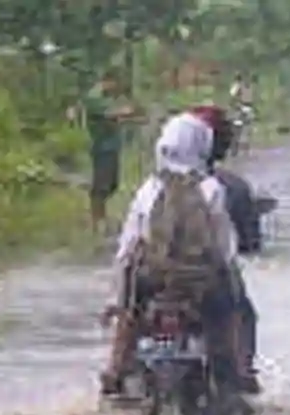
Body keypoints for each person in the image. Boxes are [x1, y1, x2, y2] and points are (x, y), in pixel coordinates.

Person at [99, 113, 255, 396]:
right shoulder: (211, 188)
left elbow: (127, 247)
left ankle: (114, 372)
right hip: (199, 285)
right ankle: (235, 376)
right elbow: (224, 247)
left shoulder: (149, 188)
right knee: (229, 314)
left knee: (129, 317)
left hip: (152, 281)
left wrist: (114, 299)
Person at [188, 104, 262, 389]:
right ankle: (242, 371)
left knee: (127, 310)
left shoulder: (152, 185)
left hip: (156, 276)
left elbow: (131, 242)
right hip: (210, 279)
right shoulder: (227, 187)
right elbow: (241, 246)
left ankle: (115, 368)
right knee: (242, 312)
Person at [82, 71, 139, 235]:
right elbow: (112, 113)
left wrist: (132, 116)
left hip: (111, 146)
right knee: (101, 185)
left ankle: (101, 218)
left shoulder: (108, 98)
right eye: (115, 83)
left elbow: (118, 118)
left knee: (112, 184)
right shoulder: (95, 97)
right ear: (108, 81)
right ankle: (97, 220)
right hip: (101, 147)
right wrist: (128, 110)